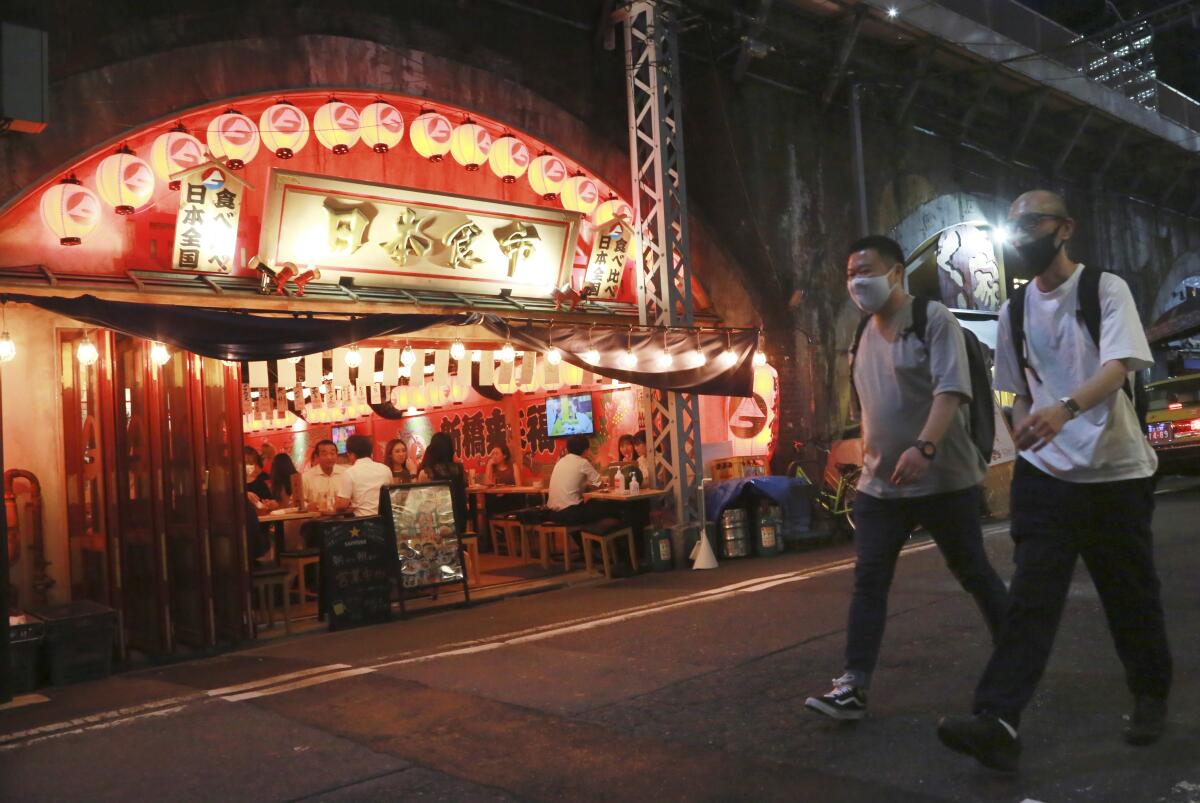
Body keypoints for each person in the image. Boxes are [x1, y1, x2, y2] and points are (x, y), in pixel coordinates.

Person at [937, 191, 1172, 772]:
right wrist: (1020, 422)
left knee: (1129, 595)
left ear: (1064, 229)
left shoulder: (1103, 289)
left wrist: (1064, 408)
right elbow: (1010, 386)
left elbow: (1119, 367)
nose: (1021, 234)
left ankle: (1149, 694)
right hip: (1047, 479)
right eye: (1014, 225)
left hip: (1115, 472)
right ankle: (997, 721)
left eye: (1032, 223)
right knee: (1031, 602)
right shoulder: (1012, 312)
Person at [804, 234, 1008, 722]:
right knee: (869, 582)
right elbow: (872, 407)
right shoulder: (861, 332)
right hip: (881, 486)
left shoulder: (932, 319)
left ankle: (1019, 651)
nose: (857, 281)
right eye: (851, 273)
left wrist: (925, 446)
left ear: (896, 272)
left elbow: (952, 390)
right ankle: (852, 685)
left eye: (866, 270)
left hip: (944, 480)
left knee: (974, 572)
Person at [545, 434, 614, 527]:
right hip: (570, 514)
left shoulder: (560, 461)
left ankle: (586, 540)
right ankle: (599, 539)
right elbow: (600, 484)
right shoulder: (582, 462)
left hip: (552, 514)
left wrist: (587, 487)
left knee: (589, 506)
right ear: (586, 450)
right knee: (607, 506)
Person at [417, 432, 469, 531]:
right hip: (460, 522)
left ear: (432, 449)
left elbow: (420, 501)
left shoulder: (427, 472)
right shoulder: (459, 468)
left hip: (438, 527)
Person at [335, 434, 394, 517]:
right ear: (370, 451)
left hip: (362, 523)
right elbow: (392, 495)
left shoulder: (349, 473)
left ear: (351, 454)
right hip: (385, 521)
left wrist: (336, 502)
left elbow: (342, 505)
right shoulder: (386, 469)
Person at [302, 439, 346, 515]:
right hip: (317, 522)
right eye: (324, 454)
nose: (329, 457)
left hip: (341, 519)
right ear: (317, 457)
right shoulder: (306, 477)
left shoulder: (345, 473)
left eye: (332, 453)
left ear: (337, 455)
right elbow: (299, 502)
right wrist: (308, 506)